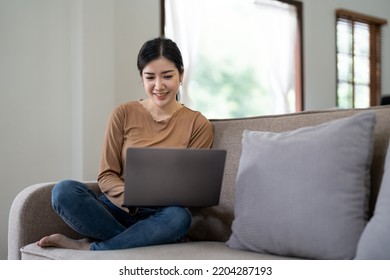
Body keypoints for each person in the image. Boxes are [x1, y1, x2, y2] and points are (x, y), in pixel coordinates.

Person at [37, 37, 214, 250]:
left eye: (167, 76)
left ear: (181, 74)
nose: (159, 86)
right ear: (142, 78)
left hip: (161, 216)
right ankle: (137, 241)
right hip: (114, 209)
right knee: (64, 190)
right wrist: (131, 196)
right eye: (150, 77)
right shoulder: (123, 113)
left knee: (179, 218)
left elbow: (191, 188)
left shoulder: (198, 124)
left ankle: (92, 248)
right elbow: (106, 175)